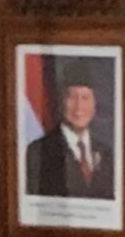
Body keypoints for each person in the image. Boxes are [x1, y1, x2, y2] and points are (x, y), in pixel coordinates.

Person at [24, 63, 116, 201]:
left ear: (94, 105)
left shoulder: (106, 153)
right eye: (72, 97)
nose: (79, 107)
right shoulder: (39, 151)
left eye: (85, 98)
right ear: (61, 101)